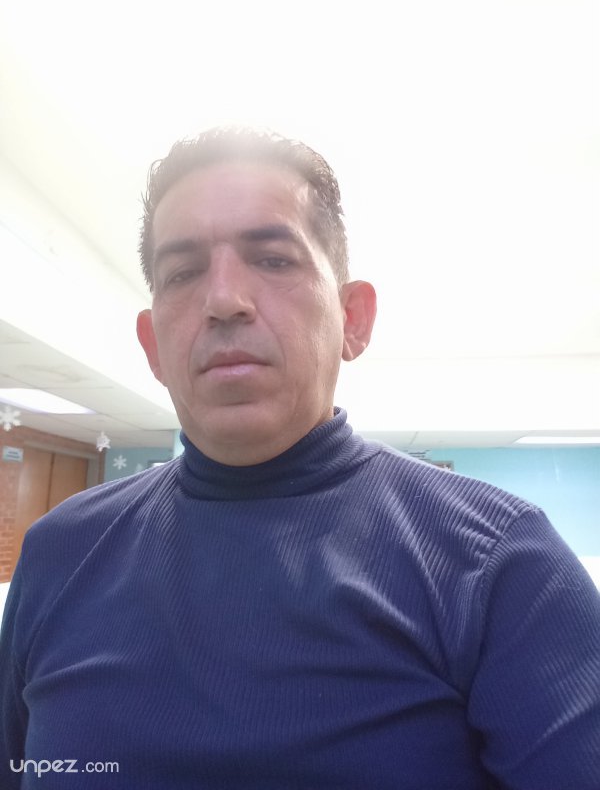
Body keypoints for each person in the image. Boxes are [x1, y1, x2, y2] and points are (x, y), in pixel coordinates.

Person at [1, 127, 599, 790]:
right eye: (183, 273)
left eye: (273, 259)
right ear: (152, 346)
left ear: (353, 319)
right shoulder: (60, 553)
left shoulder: (501, 565)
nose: (223, 300)